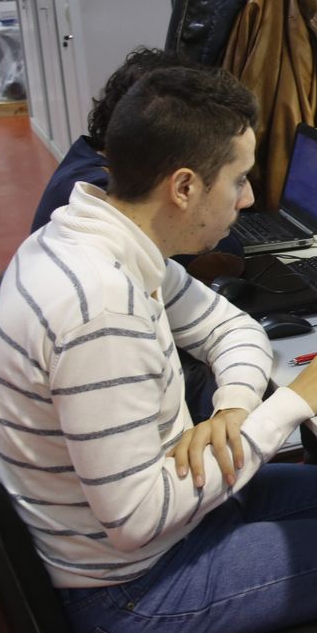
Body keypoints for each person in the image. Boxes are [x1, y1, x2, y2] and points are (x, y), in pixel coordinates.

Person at [0, 67, 317, 633]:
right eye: (240, 181)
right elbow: (136, 520)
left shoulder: (105, 236)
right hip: (128, 596)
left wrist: (231, 411)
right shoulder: (98, 305)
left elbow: (234, 329)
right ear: (186, 187)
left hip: (158, 530)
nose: (250, 199)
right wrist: (289, 405)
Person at [31, 47, 241, 423]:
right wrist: (281, 410)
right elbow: (142, 484)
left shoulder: (87, 173)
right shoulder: (107, 295)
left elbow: (229, 323)